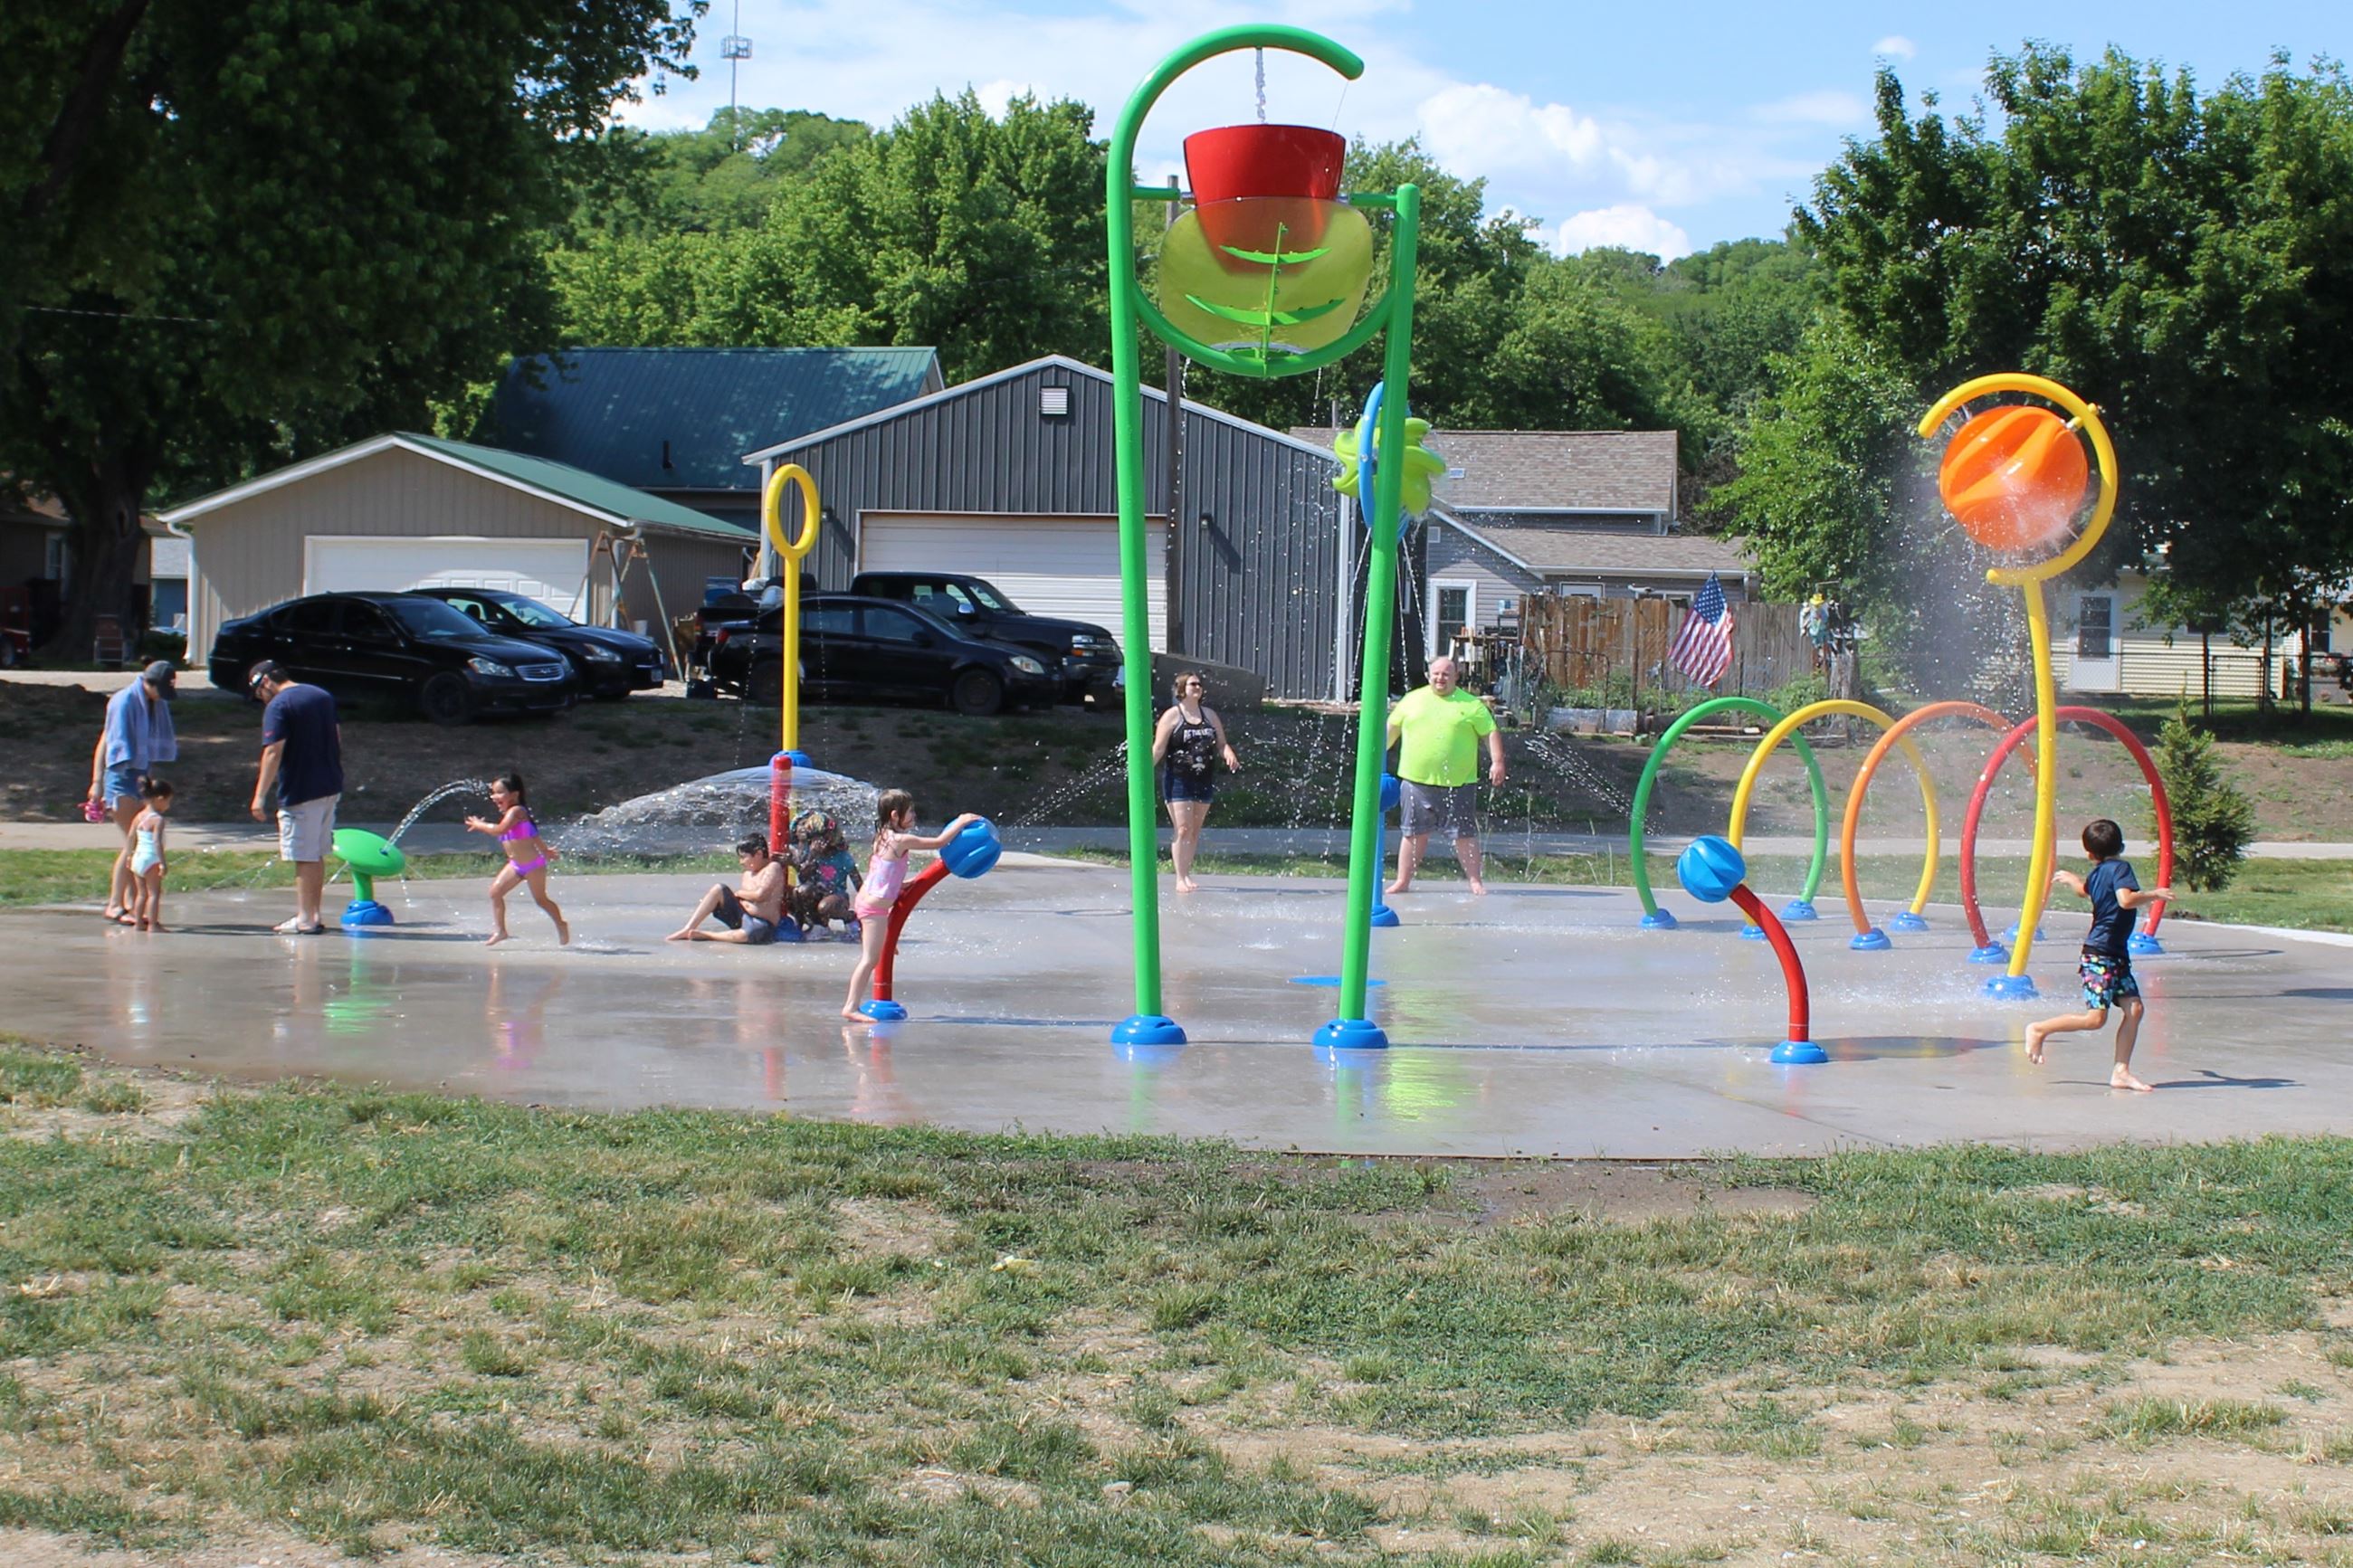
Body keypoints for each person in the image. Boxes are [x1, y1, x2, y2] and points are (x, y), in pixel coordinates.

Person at [2024, 818, 2176, 1093]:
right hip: (2100, 955)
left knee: (2135, 1009)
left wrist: (2072, 879)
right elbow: (2126, 900)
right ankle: (2039, 1029)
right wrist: (2154, 894)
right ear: (2122, 845)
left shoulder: (2098, 872)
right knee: (2095, 1019)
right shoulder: (2121, 868)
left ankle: (2121, 1072)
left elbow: (2084, 892)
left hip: (2114, 955)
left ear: (2089, 853)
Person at [843, 791, 978, 1020]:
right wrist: (962, 821)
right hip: (874, 908)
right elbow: (939, 842)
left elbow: (883, 871)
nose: (914, 815)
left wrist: (899, 885)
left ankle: (882, 944)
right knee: (870, 960)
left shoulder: (883, 836)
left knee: (879, 950)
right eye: (911, 812)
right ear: (896, 815)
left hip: (871, 901)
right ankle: (850, 1007)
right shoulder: (900, 840)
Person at [1384, 654, 1506, 896]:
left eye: (1446, 674)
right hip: (1415, 781)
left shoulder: (1470, 704)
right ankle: (1402, 881)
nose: (1440, 678)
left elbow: (1490, 733)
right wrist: (1371, 755)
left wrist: (1497, 762)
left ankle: (1475, 881)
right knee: (1413, 834)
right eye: (1436, 674)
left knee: (1464, 835)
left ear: (1456, 677)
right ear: (1429, 675)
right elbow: (1391, 731)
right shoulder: (1411, 700)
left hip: (1459, 783)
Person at [247, 660, 343, 935]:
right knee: (316, 853)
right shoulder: (321, 695)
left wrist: (259, 796)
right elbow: (337, 737)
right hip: (329, 786)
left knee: (303, 855)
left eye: (258, 694)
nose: (261, 700)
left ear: (265, 682)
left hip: (300, 790)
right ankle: (313, 914)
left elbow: (273, 751)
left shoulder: (279, 706)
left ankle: (305, 918)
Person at [89, 660, 180, 925]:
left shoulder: (153, 703)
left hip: (140, 776)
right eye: (160, 690)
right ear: (147, 683)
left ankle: (129, 903)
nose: (162, 696)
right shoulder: (124, 702)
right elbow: (106, 742)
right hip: (120, 777)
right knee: (135, 844)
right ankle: (116, 905)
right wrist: (97, 782)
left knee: (137, 845)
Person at [1149, 671, 1241, 892]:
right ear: (1182, 689)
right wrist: (1142, 771)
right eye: (1193, 684)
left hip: (1204, 778)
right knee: (1182, 829)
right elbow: (1159, 747)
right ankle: (1180, 878)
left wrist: (1228, 753)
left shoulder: (1209, 715)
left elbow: (1221, 743)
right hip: (1178, 779)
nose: (1198, 687)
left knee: (1194, 830)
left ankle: (1187, 873)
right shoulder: (1172, 716)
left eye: (1200, 684)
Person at [464, 772, 568, 947]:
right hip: (516, 865)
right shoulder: (510, 814)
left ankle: (561, 924)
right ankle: (500, 931)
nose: (493, 796)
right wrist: (545, 849)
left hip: (533, 866)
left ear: (514, 794)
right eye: (492, 792)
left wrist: (479, 825)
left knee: (541, 900)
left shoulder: (517, 811)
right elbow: (533, 834)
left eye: (499, 792)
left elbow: (500, 830)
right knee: (495, 893)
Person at [668, 834, 788, 945]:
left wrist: (740, 893)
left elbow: (760, 895)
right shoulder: (747, 873)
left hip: (762, 923)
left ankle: (709, 935)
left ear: (758, 854)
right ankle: (688, 928)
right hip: (741, 917)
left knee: (749, 934)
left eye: (743, 857)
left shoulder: (773, 868)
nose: (741, 862)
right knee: (719, 889)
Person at [786, 807, 862, 936]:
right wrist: (812, 856)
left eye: (822, 837)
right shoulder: (808, 852)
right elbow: (803, 878)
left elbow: (859, 884)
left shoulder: (842, 856)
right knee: (800, 891)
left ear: (832, 836)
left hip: (837, 897)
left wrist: (868, 911)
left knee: (825, 907)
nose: (818, 842)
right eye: (814, 838)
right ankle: (819, 924)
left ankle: (849, 917)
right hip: (816, 894)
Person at [129, 778, 175, 933]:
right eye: (168, 801)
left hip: (138, 857)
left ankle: (138, 923)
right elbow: (156, 843)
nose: (168, 805)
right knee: (154, 893)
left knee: (141, 894)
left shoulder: (138, 816)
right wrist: (162, 862)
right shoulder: (158, 820)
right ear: (160, 799)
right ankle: (153, 925)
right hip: (151, 858)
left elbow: (130, 837)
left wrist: (129, 856)